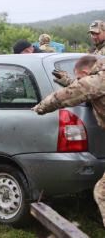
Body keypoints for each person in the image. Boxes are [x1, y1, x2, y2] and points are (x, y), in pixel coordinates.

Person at [32, 55, 105, 226]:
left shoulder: (95, 81)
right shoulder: (98, 78)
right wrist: (69, 80)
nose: (78, 82)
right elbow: (85, 86)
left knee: (102, 192)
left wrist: (39, 108)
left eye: (79, 78)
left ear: (87, 72)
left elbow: (63, 97)